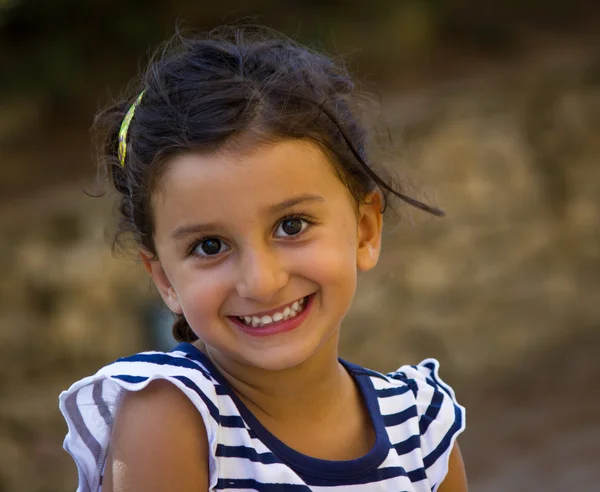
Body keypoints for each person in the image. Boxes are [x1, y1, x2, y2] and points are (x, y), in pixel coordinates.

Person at [59, 27, 467, 492]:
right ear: (165, 280)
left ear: (365, 230)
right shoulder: (171, 416)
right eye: (209, 246)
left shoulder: (421, 429)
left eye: (291, 226)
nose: (262, 281)